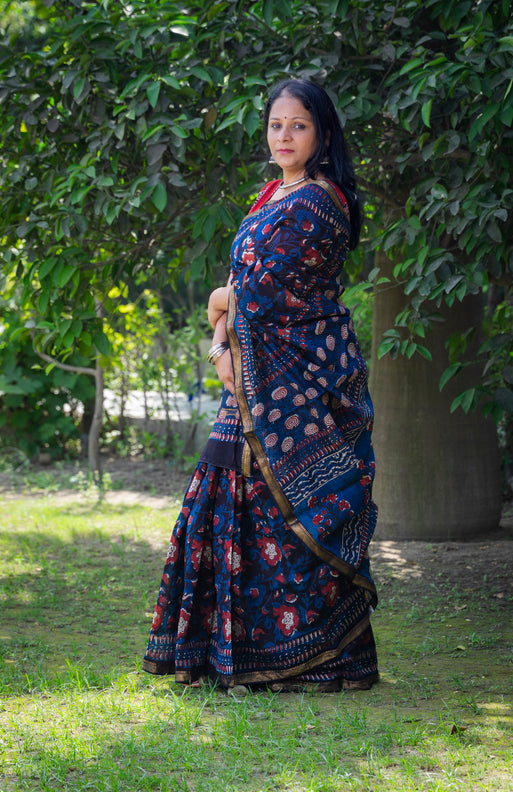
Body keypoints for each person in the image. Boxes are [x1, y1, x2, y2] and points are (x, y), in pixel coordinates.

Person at [142, 78, 379, 692]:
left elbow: (261, 289)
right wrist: (220, 343)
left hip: (301, 375)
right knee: (231, 486)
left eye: (297, 126)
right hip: (251, 371)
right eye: (276, 125)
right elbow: (236, 278)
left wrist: (221, 308)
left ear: (321, 134)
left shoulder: (322, 203)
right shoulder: (270, 194)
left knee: (293, 503)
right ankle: (231, 654)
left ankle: (319, 657)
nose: (284, 136)